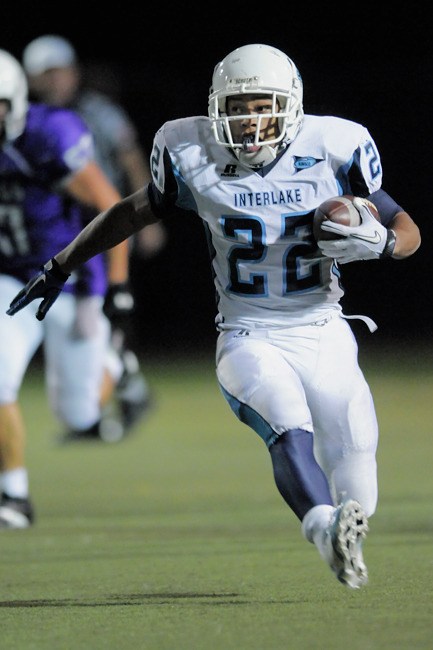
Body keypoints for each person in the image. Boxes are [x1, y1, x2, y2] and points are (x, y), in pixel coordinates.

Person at [6, 44, 421, 587]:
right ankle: (323, 530)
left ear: (289, 105)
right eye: (238, 106)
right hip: (248, 332)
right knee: (286, 422)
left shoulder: (335, 147)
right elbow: (129, 212)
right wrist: (62, 264)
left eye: (261, 106)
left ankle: (345, 528)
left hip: (323, 326)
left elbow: (407, 230)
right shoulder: (189, 150)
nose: (248, 120)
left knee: (358, 461)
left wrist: (384, 242)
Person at [0, 49, 138, 528]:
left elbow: (111, 210)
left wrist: (113, 288)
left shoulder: (47, 135)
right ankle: (14, 495)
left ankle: (114, 363)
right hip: (12, 279)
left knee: (80, 416)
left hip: (70, 280)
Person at [21, 34, 168, 431]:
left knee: (108, 309)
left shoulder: (95, 111)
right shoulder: (24, 119)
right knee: (83, 322)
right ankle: (119, 378)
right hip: (54, 236)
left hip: (105, 226)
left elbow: (130, 157)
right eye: (46, 73)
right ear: (31, 79)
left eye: (62, 71)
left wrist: (146, 215)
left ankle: (116, 374)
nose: (56, 80)